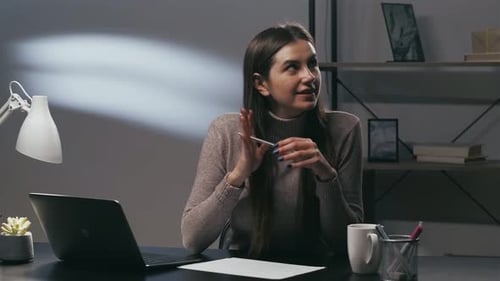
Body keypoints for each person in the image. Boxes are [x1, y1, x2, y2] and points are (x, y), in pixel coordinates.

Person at [181, 22, 363, 258]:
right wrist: (237, 176)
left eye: (312, 64)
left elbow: (346, 244)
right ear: (261, 84)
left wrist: (325, 174)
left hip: (318, 270)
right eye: (292, 67)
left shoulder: (344, 129)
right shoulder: (226, 131)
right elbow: (192, 239)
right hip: (243, 267)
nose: (309, 77)